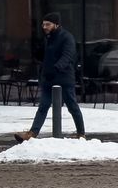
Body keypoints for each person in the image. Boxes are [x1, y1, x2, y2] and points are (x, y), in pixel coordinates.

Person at [20, 12, 85, 141]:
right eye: (43, 24)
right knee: (43, 106)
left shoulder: (67, 37)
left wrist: (55, 69)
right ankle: (32, 133)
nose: (44, 27)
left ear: (56, 24)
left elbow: (67, 56)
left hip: (64, 79)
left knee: (72, 106)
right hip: (49, 79)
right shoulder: (48, 38)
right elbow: (46, 57)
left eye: (47, 24)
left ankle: (81, 134)